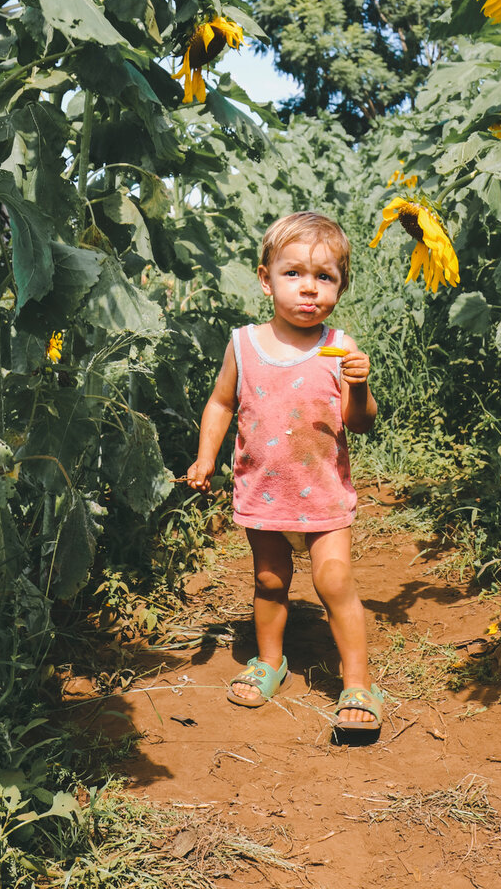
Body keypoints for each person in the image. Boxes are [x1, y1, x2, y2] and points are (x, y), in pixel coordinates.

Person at [187, 211, 383, 731]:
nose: (309, 289)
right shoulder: (244, 344)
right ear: (265, 276)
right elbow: (221, 403)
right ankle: (270, 662)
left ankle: (358, 683)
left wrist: (359, 385)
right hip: (265, 490)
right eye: (293, 273)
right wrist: (206, 457)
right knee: (270, 580)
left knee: (334, 579)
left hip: (321, 491)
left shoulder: (341, 348)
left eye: (325, 278)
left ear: (341, 287)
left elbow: (359, 423)